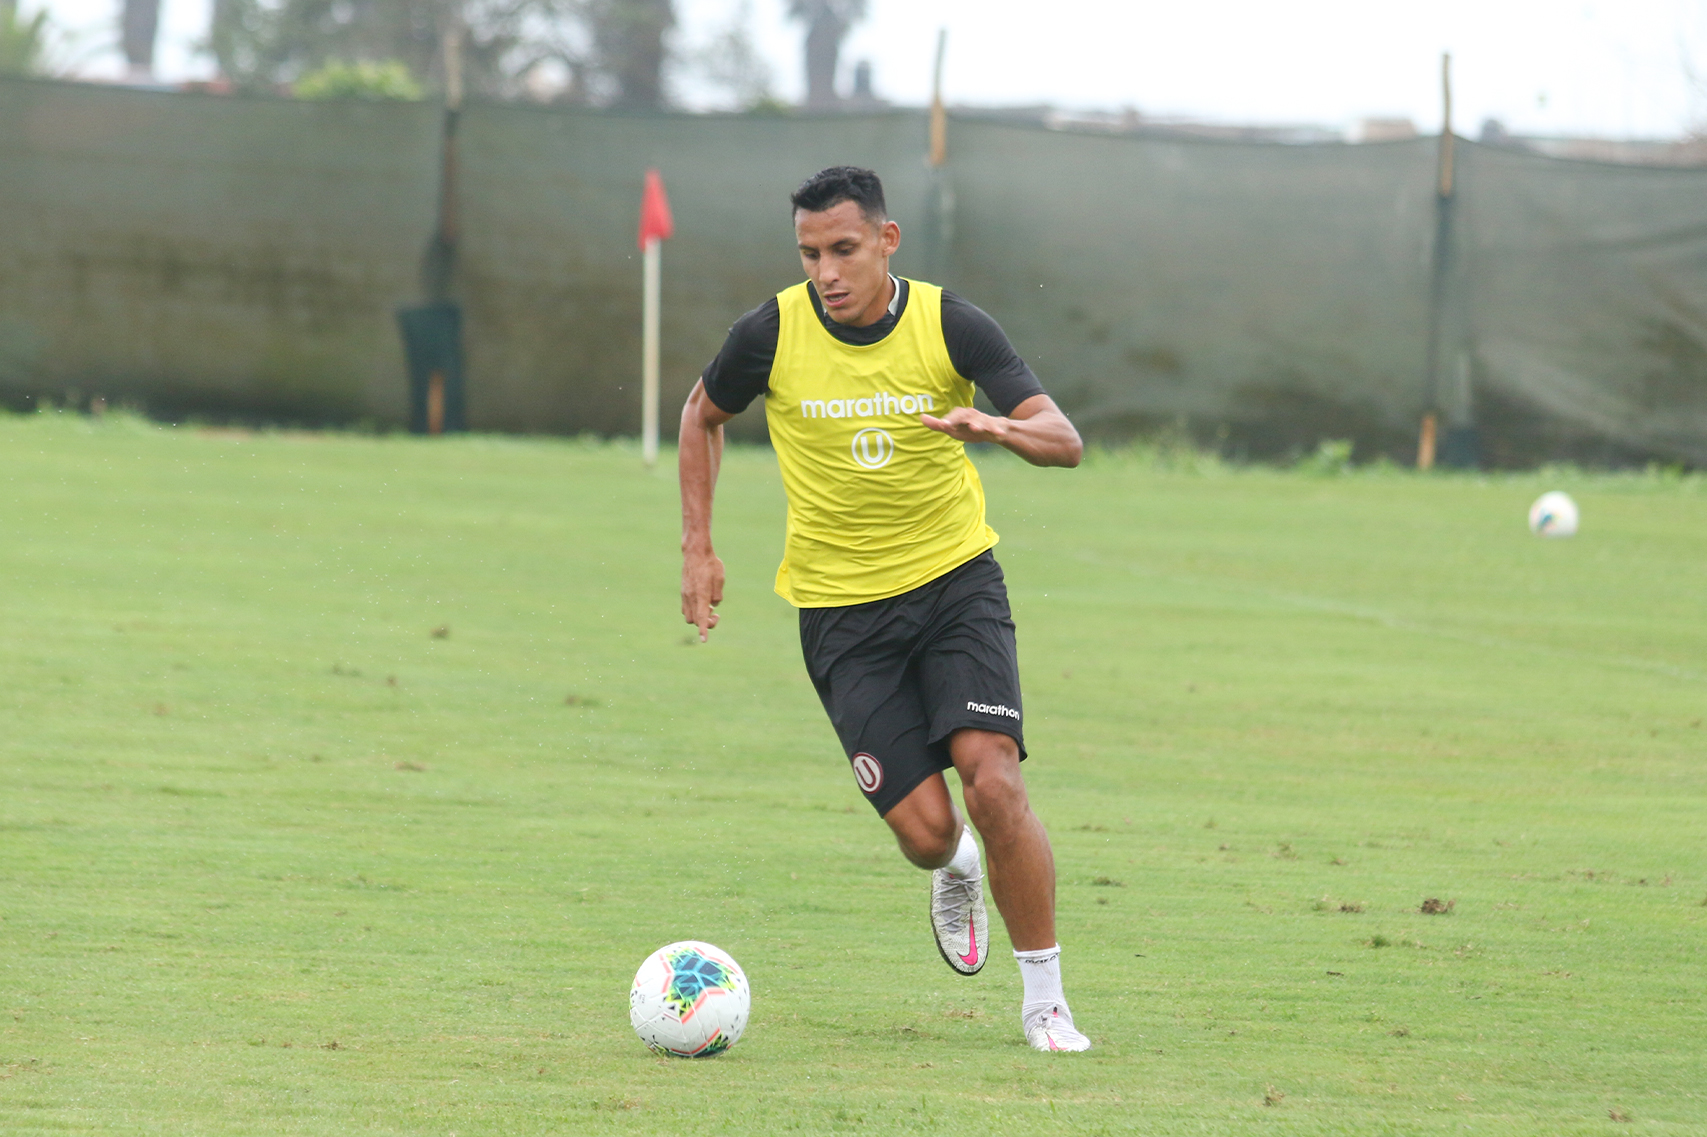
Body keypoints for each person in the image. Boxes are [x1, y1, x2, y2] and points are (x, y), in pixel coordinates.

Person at [677, 166, 1090, 1051]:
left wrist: (1000, 429)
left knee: (993, 780)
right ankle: (954, 867)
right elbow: (700, 414)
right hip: (840, 614)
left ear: (886, 241)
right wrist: (698, 548)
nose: (826, 270)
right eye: (810, 253)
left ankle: (1046, 1001)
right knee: (928, 831)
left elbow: (1065, 441)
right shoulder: (771, 333)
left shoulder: (950, 324)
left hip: (954, 586)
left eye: (843, 249)